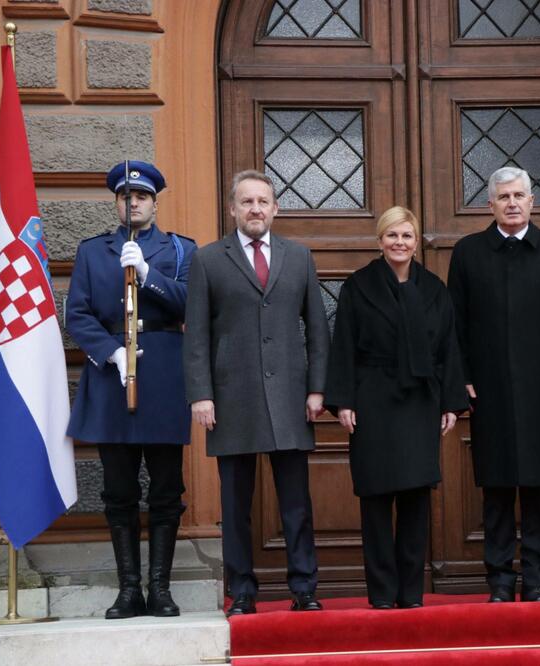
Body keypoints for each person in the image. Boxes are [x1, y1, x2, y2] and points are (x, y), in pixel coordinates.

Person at [183, 170, 329, 616]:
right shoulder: (208, 260)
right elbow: (197, 337)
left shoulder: (299, 257)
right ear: (232, 209)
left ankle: (304, 587)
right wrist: (201, 394)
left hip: (290, 397)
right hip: (232, 399)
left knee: (296, 505)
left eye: (263, 201)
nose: (255, 209)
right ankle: (241, 591)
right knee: (236, 505)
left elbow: (319, 331)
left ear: (275, 208)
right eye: (246, 202)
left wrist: (317, 389)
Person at [66, 161, 196, 619]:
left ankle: (160, 589)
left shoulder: (179, 249)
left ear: (155, 203)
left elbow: (193, 304)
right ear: (116, 202)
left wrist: (147, 275)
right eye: (125, 197)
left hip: (162, 377)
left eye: (141, 197)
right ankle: (129, 590)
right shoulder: (92, 251)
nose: (133, 203)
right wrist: (112, 352)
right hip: (110, 379)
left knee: (165, 488)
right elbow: (77, 314)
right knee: (118, 490)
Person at [324, 206, 468, 610]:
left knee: (415, 500)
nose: (399, 243)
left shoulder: (434, 289)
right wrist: (344, 401)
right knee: (374, 499)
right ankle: (382, 594)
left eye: (406, 236)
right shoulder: (358, 286)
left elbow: (449, 348)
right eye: (392, 236)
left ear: (416, 242)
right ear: (379, 241)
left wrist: (450, 401)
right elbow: (344, 346)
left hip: (420, 400)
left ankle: (410, 593)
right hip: (372, 399)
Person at [447, 166, 540, 603]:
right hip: (490, 390)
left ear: (533, 202)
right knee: (497, 490)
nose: (513, 203)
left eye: (520, 195)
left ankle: (537, 580)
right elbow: (455, 325)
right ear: (491, 205)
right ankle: (500, 580)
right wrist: (460, 378)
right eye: (504, 197)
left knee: (539, 489)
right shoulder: (468, 252)